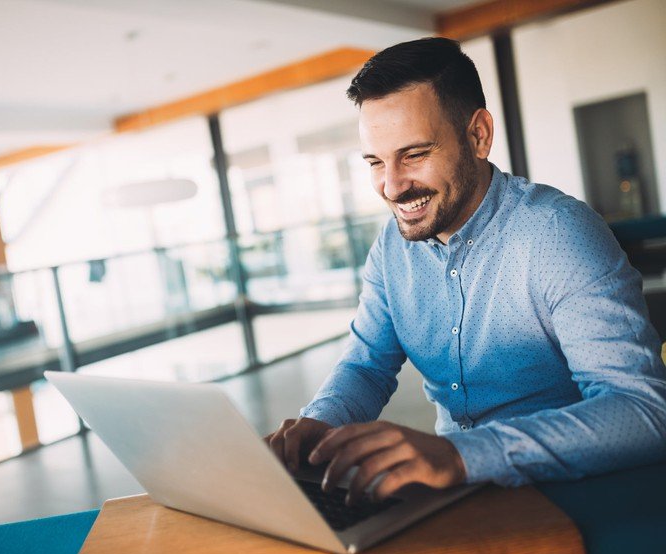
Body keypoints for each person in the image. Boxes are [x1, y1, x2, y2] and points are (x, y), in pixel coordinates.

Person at [265, 37, 666, 506]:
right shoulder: (391, 248)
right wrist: (320, 425)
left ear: (478, 136)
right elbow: (366, 364)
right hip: (457, 495)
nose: (392, 186)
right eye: (376, 161)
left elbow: (644, 412)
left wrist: (460, 455)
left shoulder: (559, 235)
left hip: (573, 494)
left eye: (413, 154)